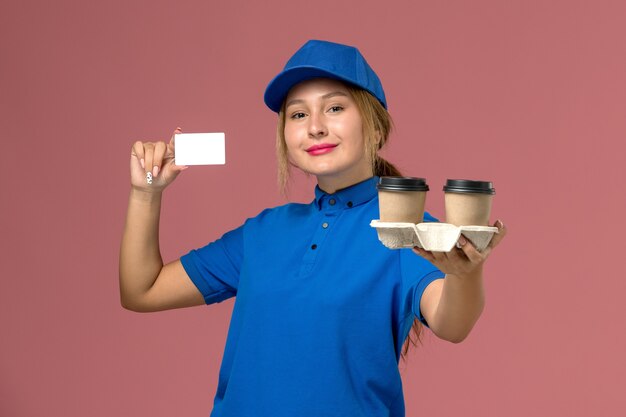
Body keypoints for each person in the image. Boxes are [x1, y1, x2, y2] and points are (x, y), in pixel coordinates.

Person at [119, 40, 507, 417]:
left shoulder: (407, 228)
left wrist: (465, 274)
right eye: (299, 114)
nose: (315, 127)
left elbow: (452, 324)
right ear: (286, 137)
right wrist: (145, 194)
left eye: (335, 107)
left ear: (375, 130)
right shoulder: (262, 234)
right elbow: (142, 290)